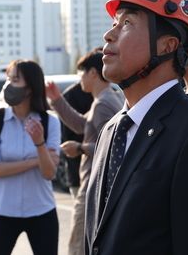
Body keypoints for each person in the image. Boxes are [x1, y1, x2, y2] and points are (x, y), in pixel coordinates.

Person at [85, 0, 188, 255]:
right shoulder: (111, 130)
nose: (109, 35)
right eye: (114, 23)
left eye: (127, 23)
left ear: (168, 45)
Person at [46, 48, 123, 255]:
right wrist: (56, 100)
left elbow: (113, 145)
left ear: (93, 73)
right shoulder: (104, 99)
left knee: (78, 245)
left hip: (93, 183)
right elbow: (82, 126)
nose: (79, 79)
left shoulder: (104, 103)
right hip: (92, 182)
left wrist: (80, 148)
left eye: (81, 73)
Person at [0, 59, 61, 255]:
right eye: (8, 79)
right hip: (3, 210)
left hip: (41, 210)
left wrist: (39, 142)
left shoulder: (50, 122)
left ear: (30, 87)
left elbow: (49, 173)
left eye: (15, 80)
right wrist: (36, 160)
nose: (8, 85)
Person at [60, 81, 94, 197]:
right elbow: (67, 137)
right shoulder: (71, 95)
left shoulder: (107, 98)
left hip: (102, 174)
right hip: (79, 173)